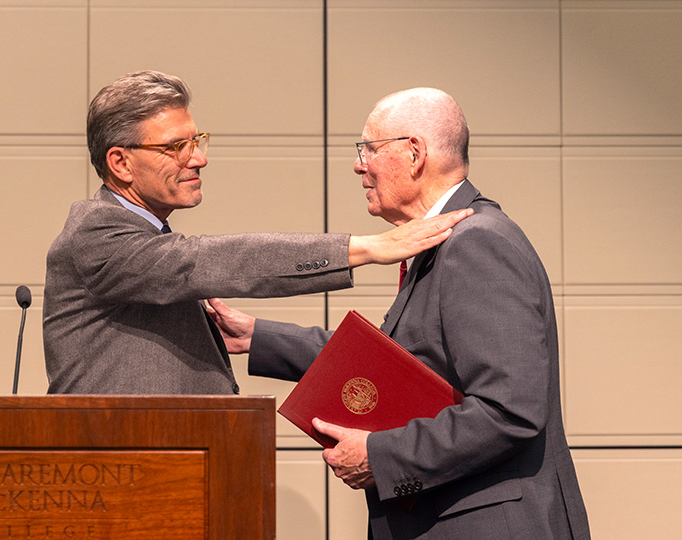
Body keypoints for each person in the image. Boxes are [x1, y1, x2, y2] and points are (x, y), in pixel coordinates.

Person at [208, 88, 591, 539]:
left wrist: (380, 455)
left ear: (414, 153)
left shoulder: (477, 243)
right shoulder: (447, 240)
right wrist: (254, 336)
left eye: (369, 148)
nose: (359, 165)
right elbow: (394, 364)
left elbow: (510, 411)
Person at [42, 71, 471, 395]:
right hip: (124, 473)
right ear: (120, 163)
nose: (198, 159)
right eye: (176, 147)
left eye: (197, 141)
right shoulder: (96, 232)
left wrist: (256, 336)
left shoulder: (146, 237)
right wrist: (365, 248)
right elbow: (204, 262)